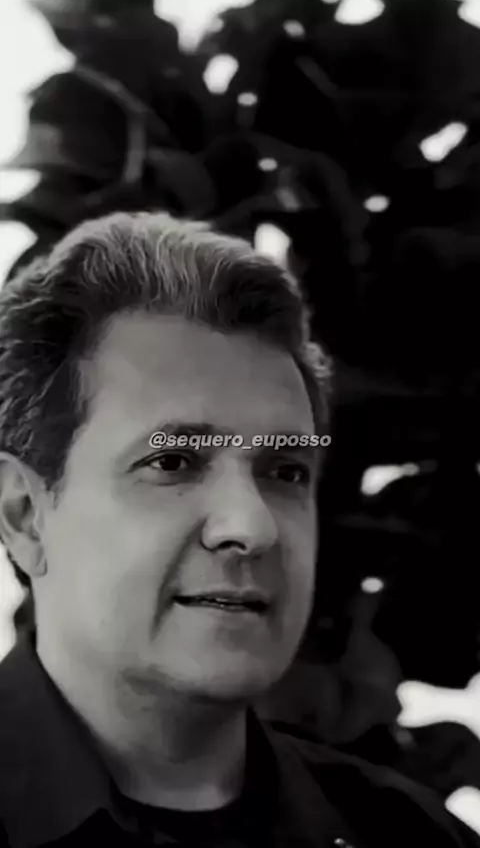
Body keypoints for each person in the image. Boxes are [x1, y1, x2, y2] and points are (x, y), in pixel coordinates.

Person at [0, 212, 477, 848]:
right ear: (23, 514)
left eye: (285, 470)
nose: (252, 527)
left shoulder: (414, 839)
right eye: (173, 462)